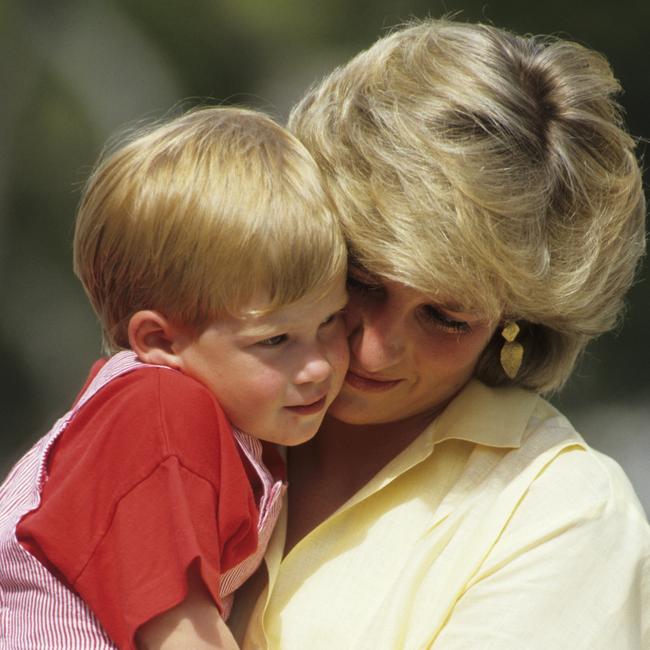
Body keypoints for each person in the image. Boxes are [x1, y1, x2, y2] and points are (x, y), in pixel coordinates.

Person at [231, 18, 649, 649]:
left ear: (517, 319)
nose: (373, 347)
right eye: (362, 279)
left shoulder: (561, 514)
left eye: (446, 318)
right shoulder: (185, 390)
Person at [0, 107, 349, 649]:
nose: (319, 365)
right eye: (275, 340)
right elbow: (179, 632)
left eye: (332, 322)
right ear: (161, 342)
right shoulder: (156, 414)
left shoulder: (215, 415)